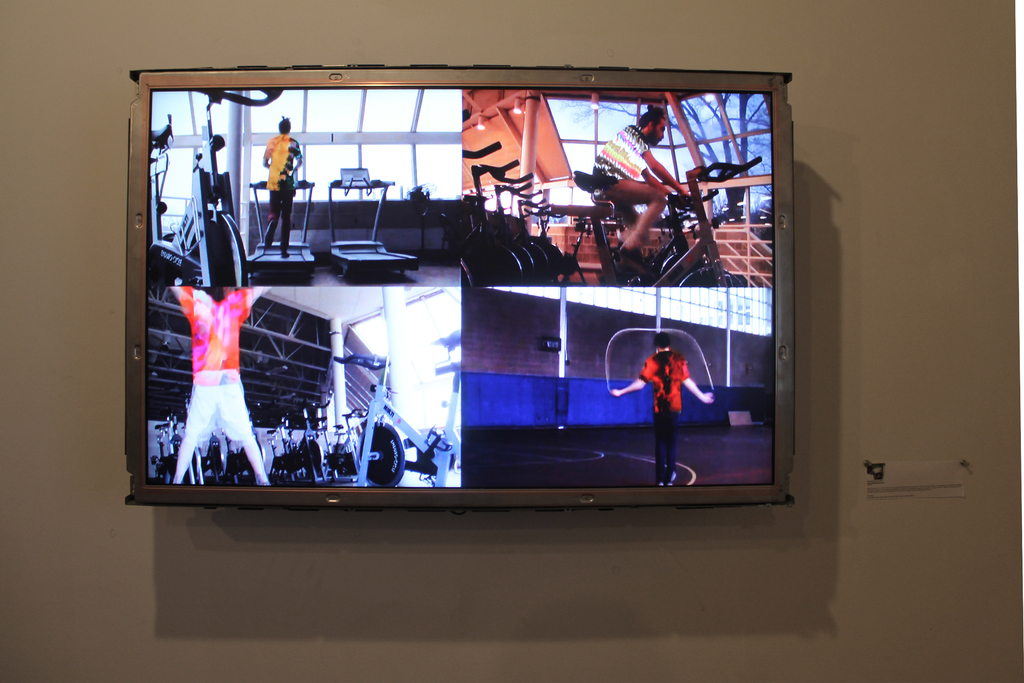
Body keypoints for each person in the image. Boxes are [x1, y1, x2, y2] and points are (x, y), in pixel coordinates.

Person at [170, 286, 271, 485]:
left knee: (191, 435)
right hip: (228, 379)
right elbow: (259, 289)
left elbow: (176, 288)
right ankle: (263, 479)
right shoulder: (233, 304)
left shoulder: (200, 303)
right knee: (246, 436)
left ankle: (176, 481)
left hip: (206, 379)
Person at [610, 331, 713, 486]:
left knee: (660, 443)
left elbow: (640, 384)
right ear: (669, 344)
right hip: (674, 407)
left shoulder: (652, 360)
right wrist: (702, 396)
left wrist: (621, 391)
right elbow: (687, 381)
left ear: (657, 345)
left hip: (660, 408)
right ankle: (668, 479)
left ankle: (659, 480)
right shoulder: (679, 358)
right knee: (671, 443)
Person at [592, 106, 690, 264]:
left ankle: (623, 265)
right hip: (609, 185)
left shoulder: (632, 145)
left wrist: (671, 196)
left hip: (609, 187)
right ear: (650, 125)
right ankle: (628, 250)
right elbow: (655, 167)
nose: (662, 136)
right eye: (661, 129)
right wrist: (681, 190)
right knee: (659, 199)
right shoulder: (634, 133)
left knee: (639, 227)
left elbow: (649, 178)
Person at [262, 117, 303, 257]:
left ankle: (272, 222)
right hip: (288, 183)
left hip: (274, 182)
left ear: (279, 129)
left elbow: (264, 163)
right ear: (289, 129)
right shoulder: (293, 143)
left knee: (274, 210)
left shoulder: (272, 142)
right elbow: (300, 161)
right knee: (286, 217)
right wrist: (293, 170)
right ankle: (284, 249)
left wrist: (273, 169)